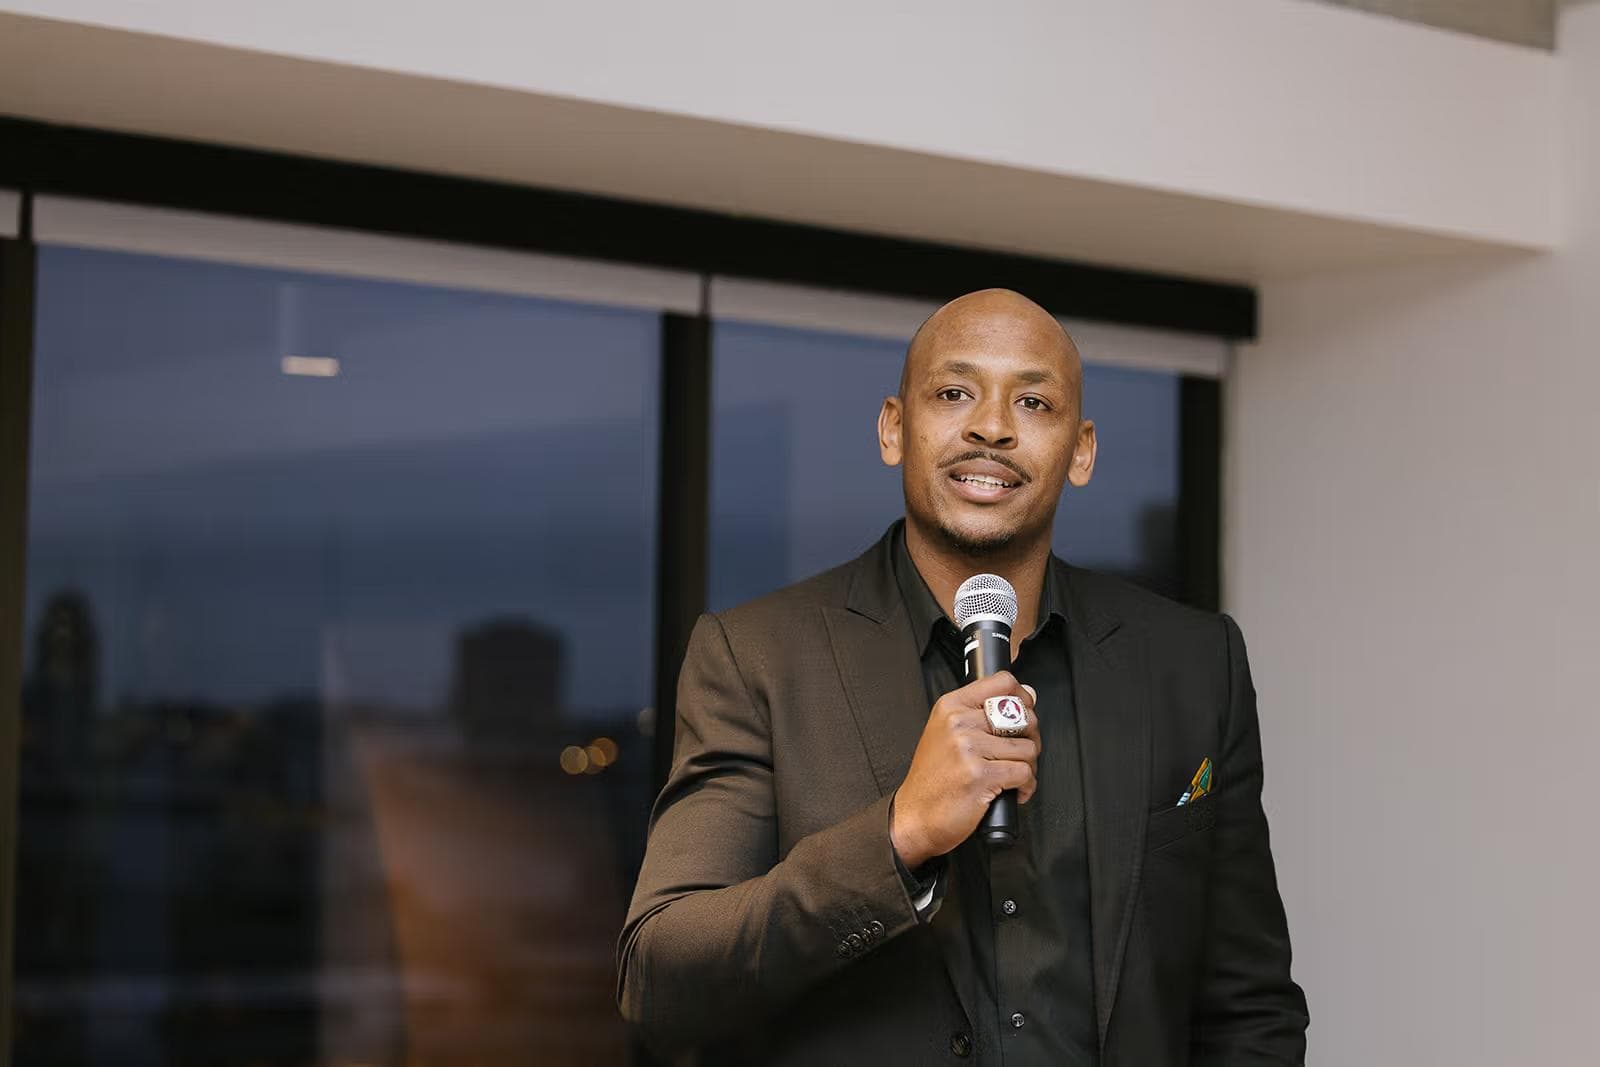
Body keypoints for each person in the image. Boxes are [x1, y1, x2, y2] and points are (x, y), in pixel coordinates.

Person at [617, 289, 1308, 1065]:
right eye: (953, 393)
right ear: (894, 428)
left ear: (1081, 450)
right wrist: (900, 833)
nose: (992, 426)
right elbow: (661, 977)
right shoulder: (756, 657)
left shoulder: (1191, 662)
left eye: (1034, 402)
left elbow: (1251, 1007)